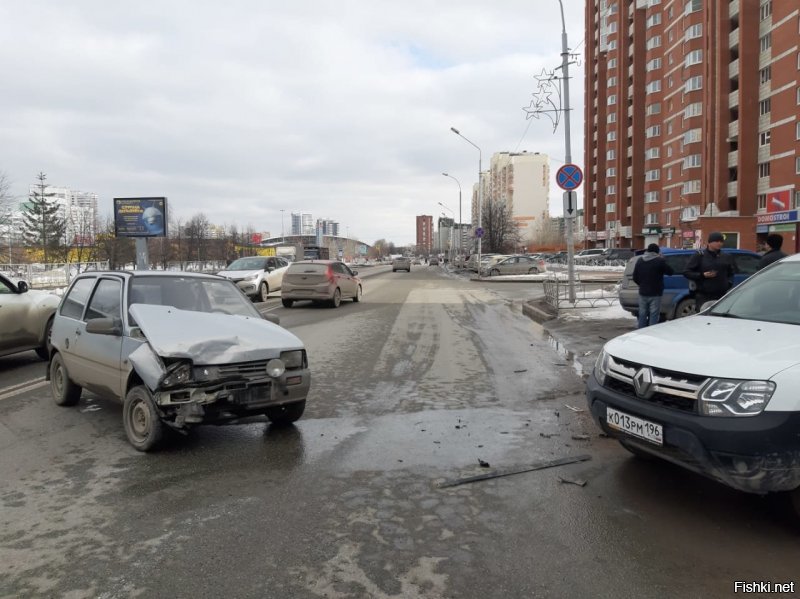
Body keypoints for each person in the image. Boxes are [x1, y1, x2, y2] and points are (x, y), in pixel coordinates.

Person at [683, 231, 735, 313]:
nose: (719, 243)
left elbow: (731, 272)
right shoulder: (700, 255)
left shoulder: (726, 256)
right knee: (705, 318)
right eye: (717, 241)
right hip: (704, 295)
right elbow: (686, 272)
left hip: (722, 294)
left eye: (721, 241)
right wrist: (702, 275)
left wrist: (729, 283)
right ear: (709, 242)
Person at [632, 243, 673, 328]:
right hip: (655, 292)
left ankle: (641, 332)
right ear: (657, 251)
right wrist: (663, 259)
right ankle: (651, 333)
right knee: (653, 315)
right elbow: (670, 272)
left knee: (642, 314)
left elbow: (635, 277)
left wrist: (642, 284)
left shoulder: (640, 260)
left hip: (643, 292)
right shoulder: (659, 261)